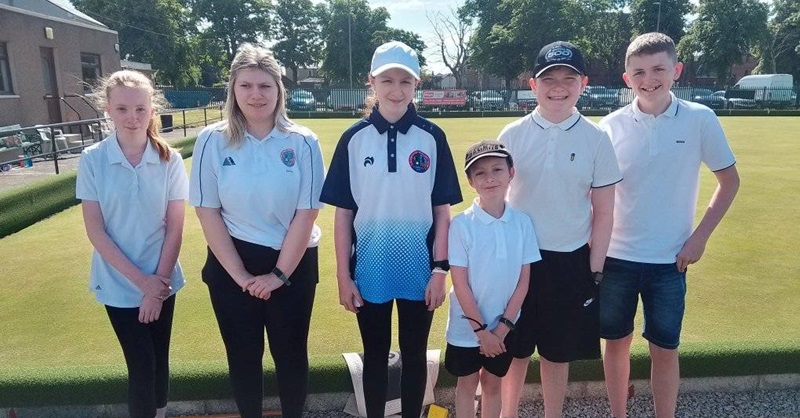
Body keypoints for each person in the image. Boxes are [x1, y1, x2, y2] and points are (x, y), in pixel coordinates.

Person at [598, 32, 740, 418]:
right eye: (639, 72)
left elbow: (730, 181)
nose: (649, 79)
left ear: (675, 70)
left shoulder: (700, 119)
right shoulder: (608, 126)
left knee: (665, 348)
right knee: (616, 343)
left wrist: (699, 239)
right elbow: (595, 195)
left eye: (659, 68)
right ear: (627, 78)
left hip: (670, 260)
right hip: (616, 259)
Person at [320, 40, 462, 418]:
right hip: (369, 269)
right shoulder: (353, 139)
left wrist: (440, 271)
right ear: (372, 82)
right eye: (387, 80)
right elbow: (343, 214)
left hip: (420, 269)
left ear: (417, 84)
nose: (396, 89)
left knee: (415, 355)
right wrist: (342, 276)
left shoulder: (433, 137)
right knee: (376, 357)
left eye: (405, 80)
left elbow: (442, 211)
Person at [189, 43, 325, 418]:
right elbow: (207, 212)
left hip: (293, 262)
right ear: (233, 89)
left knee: (292, 356)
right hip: (232, 262)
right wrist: (242, 277)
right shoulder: (211, 140)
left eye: (265, 86)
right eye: (246, 85)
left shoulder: (303, 141)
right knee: (244, 358)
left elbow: (307, 212)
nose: (256, 95)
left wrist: (278, 275)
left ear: (279, 89)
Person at [498, 41, 622, 418]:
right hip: (517, 261)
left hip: (569, 262)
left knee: (556, 355)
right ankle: (507, 414)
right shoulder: (511, 134)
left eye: (568, 78)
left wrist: (594, 268)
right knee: (514, 351)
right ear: (532, 85)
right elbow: (494, 203)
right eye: (548, 78)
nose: (558, 86)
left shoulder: (597, 138)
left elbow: (604, 213)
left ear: (583, 83)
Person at [76, 70, 188, 418]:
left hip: (163, 277)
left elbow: (175, 228)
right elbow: (97, 232)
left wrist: (157, 286)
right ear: (107, 109)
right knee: (141, 364)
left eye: (140, 109)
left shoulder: (169, 158)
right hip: (119, 283)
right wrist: (143, 285)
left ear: (152, 109)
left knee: (159, 359)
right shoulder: (93, 159)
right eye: (122, 109)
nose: (132, 117)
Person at [445, 140, 541, 418]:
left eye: (497, 169)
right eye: (480, 173)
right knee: (467, 382)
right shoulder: (461, 224)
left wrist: (501, 329)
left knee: (492, 382)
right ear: (470, 181)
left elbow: (523, 282)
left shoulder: (522, 223)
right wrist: (481, 332)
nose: (490, 178)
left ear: (511, 173)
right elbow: (460, 283)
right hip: (467, 328)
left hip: (504, 326)